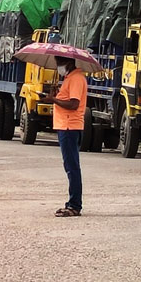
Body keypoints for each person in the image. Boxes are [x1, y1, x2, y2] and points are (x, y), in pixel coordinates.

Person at [41, 56, 87, 217]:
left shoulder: (76, 79)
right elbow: (67, 100)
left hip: (70, 126)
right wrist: (56, 96)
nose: (58, 66)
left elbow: (74, 104)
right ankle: (73, 203)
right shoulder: (70, 78)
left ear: (68, 63)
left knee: (72, 167)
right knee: (70, 166)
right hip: (66, 126)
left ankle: (74, 205)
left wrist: (54, 99)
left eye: (59, 63)